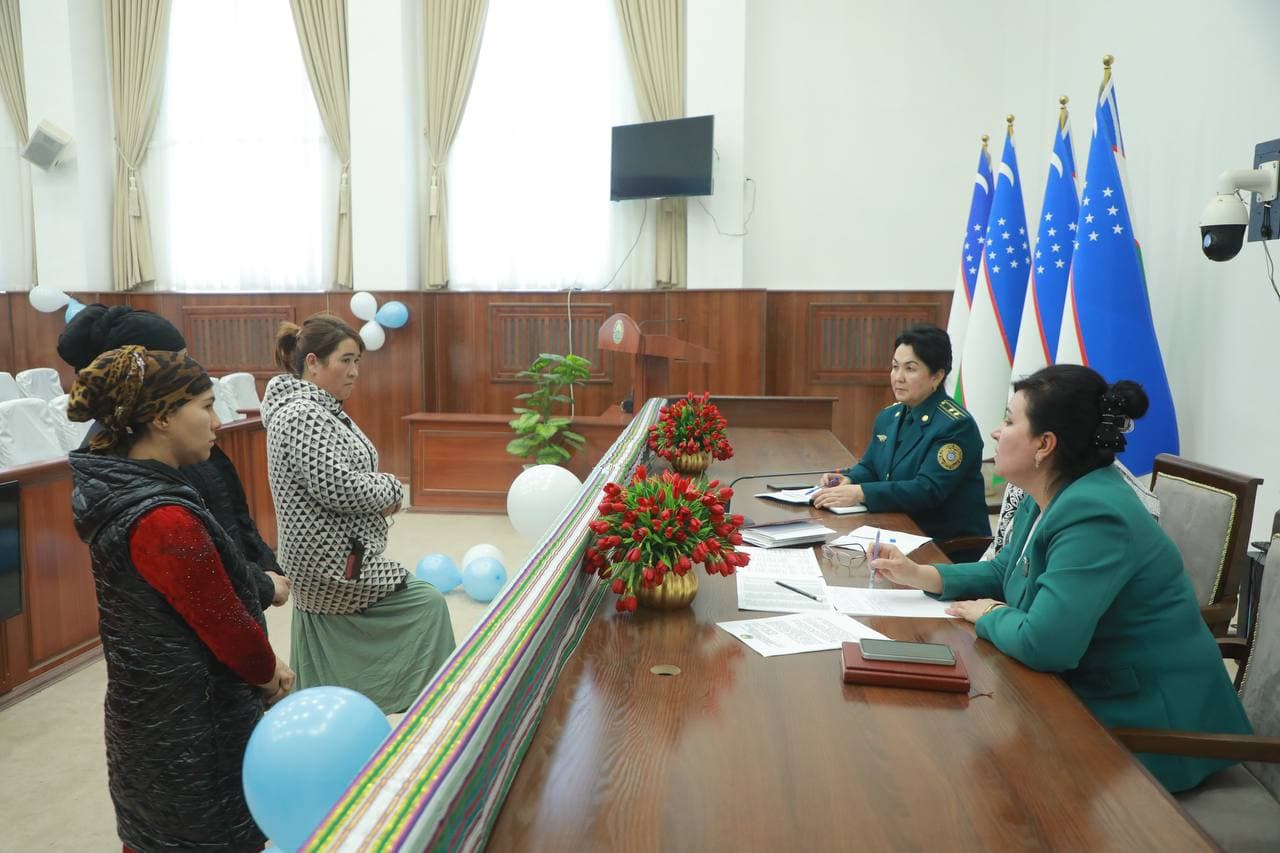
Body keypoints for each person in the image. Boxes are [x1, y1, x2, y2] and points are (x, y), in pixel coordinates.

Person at [870, 364, 1251, 792]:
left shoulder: (1095, 513)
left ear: (1044, 445)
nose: (996, 432)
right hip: (1083, 695)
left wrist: (991, 614)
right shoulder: (1050, 490)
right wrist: (922, 574)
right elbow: (1005, 569)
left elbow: (1045, 644)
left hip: (1151, 729)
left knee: (963, 775)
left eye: (1009, 421)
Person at [67, 346, 294, 852]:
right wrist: (268, 672)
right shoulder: (164, 520)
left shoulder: (125, 491)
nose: (218, 421)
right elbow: (225, 626)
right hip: (191, 722)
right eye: (207, 406)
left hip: (150, 710)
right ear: (163, 417)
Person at [262, 313, 455, 714]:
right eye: (345, 361)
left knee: (328, 636)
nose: (354, 372)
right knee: (426, 603)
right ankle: (435, 704)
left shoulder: (321, 407)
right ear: (313, 363)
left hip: (326, 554)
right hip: (329, 561)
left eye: (357, 362)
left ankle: (330, 707)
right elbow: (338, 486)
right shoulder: (303, 413)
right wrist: (392, 488)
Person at [58, 304, 290, 613]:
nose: (190, 370)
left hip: (234, 602)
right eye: (179, 360)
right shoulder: (129, 456)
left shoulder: (183, 437)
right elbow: (195, 569)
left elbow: (229, 514)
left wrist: (263, 565)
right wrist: (261, 585)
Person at [813, 324, 989, 553]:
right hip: (895, 530)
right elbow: (871, 466)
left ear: (937, 376)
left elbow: (927, 490)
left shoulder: (955, 426)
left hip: (943, 545)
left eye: (910, 369)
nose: (898, 377)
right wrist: (850, 479)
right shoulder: (890, 416)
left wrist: (860, 493)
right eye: (895, 367)